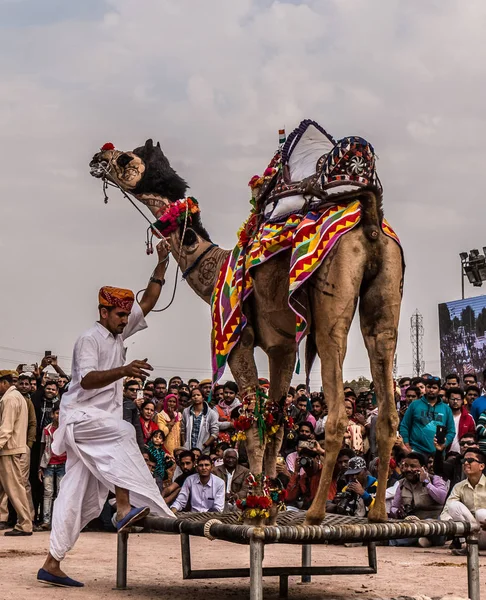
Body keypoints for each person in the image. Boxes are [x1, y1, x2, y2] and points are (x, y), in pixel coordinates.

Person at [37, 242, 175, 588]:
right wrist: (125, 369)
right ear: (103, 313)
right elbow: (86, 379)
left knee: (78, 495)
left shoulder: (118, 333)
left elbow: (149, 302)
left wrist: (161, 264)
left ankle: (52, 562)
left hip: (99, 426)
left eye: (127, 316)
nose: (126, 319)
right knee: (126, 431)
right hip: (81, 420)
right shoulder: (90, 340)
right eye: (120, 315)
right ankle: (124, 507)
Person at [390, 452, 447, 546]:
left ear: (423, 468)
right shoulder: (401, 484)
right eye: (406, 466)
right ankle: (422, 541)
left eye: (413, 466)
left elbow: (442, 499)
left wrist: (426, 483)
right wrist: (397, 512)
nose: (408, 469)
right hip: (412, 525)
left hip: (434, 525)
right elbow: (394, 507)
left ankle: (394, 541)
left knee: (428, 524)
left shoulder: (434, 479)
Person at [0, 370, 32, 536]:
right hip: (13, 447)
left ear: (4, 383)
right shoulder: (18, 397)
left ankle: (25, 524)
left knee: (14, 488)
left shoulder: (10, 398)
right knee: (11, 487)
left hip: (9, 449)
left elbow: (6, 428)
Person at [441, 448, 486, 554]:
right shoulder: (459, 487)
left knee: (481, 513)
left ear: (481, 466)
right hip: (472, 533)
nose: (465, 463)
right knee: (453, 506)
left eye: (470, 461)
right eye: (464, 461)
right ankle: (467, 544)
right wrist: (451, 524)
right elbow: (446, 510)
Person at [399, 377, 455, 456]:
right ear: (425, 388)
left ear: (439, 390)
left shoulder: (446, 408)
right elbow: (404, 426)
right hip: (416, 451)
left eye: (434, 388)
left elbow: (451, 431)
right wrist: (407, 445)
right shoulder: (415, 405)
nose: (431, 390)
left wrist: (444, 444)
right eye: (429, 387)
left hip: (437, 454)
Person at [39, 402, 66, 530]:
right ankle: (46, 520)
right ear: (52, 414)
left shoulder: (66, 430)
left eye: (61, 413)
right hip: (49, 464)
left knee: (61, 493)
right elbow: (43, 447)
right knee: (48, 492)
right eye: (56, 413)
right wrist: (40, 467)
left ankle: (58, 521)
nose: (58, 416)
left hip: (63, 463)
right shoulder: (47, 429)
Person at [181, 387, 219, 454]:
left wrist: (204, 446)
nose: (196, 397)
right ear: (191, 398)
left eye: (198, 395)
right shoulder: (186, 411)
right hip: (188, 449)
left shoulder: (211, 413)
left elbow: (215, 433)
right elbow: (183, 430)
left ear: (203, 397)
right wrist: (185, 445)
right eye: (193, 395)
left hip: (203, 451)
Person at [446, 388, 476, 453]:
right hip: (444, 453)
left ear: (462, 400)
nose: (455, 401)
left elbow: (472, 438)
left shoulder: (469, 418)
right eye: (453, 399)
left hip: (462, 455)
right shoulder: (443, 416)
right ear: (448, 400)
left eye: (458, 399)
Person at [122, 379, 144, 451]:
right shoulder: (123, 404)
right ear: (124, 391)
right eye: (132, 389)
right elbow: (127, 425)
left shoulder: (143, 405)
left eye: (137, 390)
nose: (135, 392)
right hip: (127, 441)